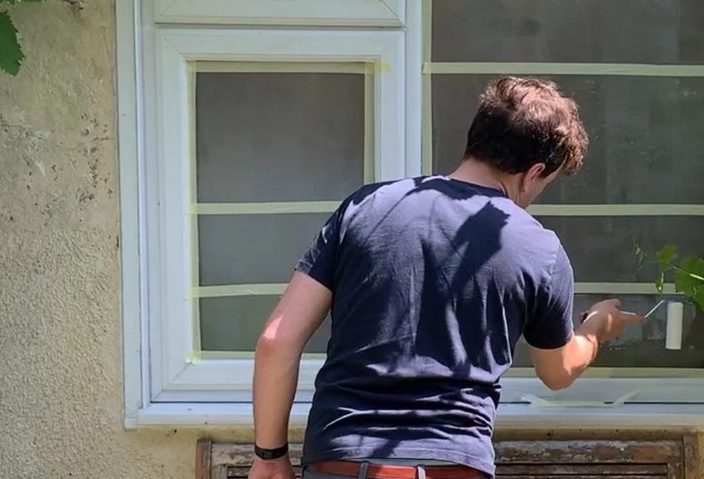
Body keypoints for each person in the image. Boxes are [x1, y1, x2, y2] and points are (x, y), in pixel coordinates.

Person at [249, 77, 644, 479]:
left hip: (341, 461)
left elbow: (276, 341)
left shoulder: (366, 208)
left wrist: (269, 457)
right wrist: (596, 329)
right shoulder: (539, 248)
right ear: (534, 172)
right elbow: (557, 371)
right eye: (545, 184)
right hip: (451, 464)